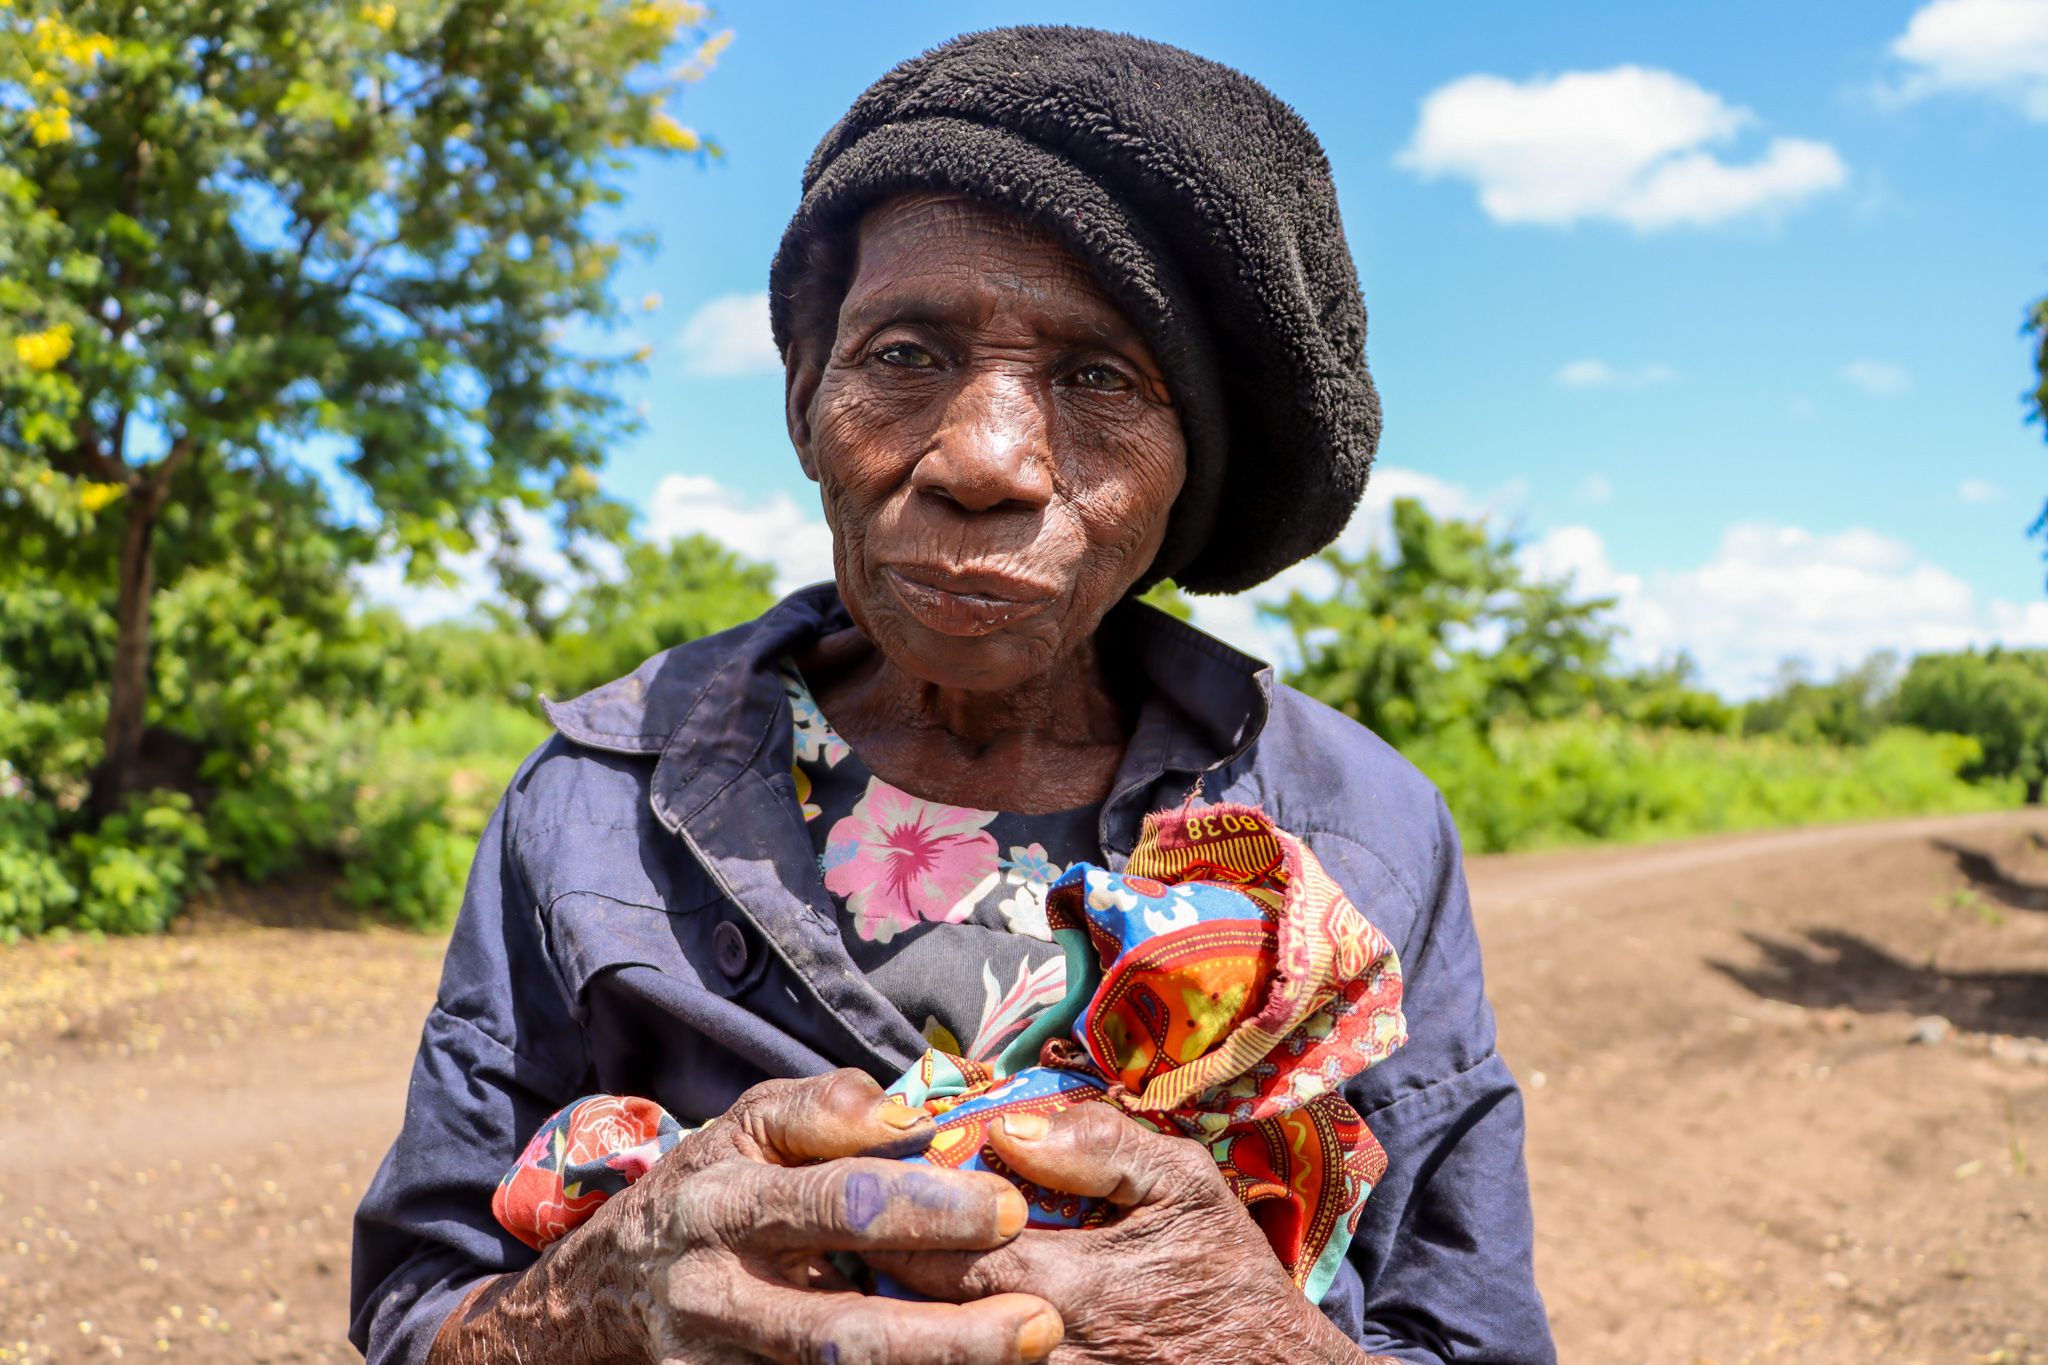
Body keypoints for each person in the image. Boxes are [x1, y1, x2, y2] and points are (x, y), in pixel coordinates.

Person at [350, 25, 1554, 1365]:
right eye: (909, 354)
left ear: (1186, 470)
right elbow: (421, 1303)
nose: (985, 459)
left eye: (1100, 378)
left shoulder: (1361, 832)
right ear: (810, 394)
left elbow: (1473, 1335)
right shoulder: (593, 804)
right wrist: (577, 1310)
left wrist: (1253, 1341)